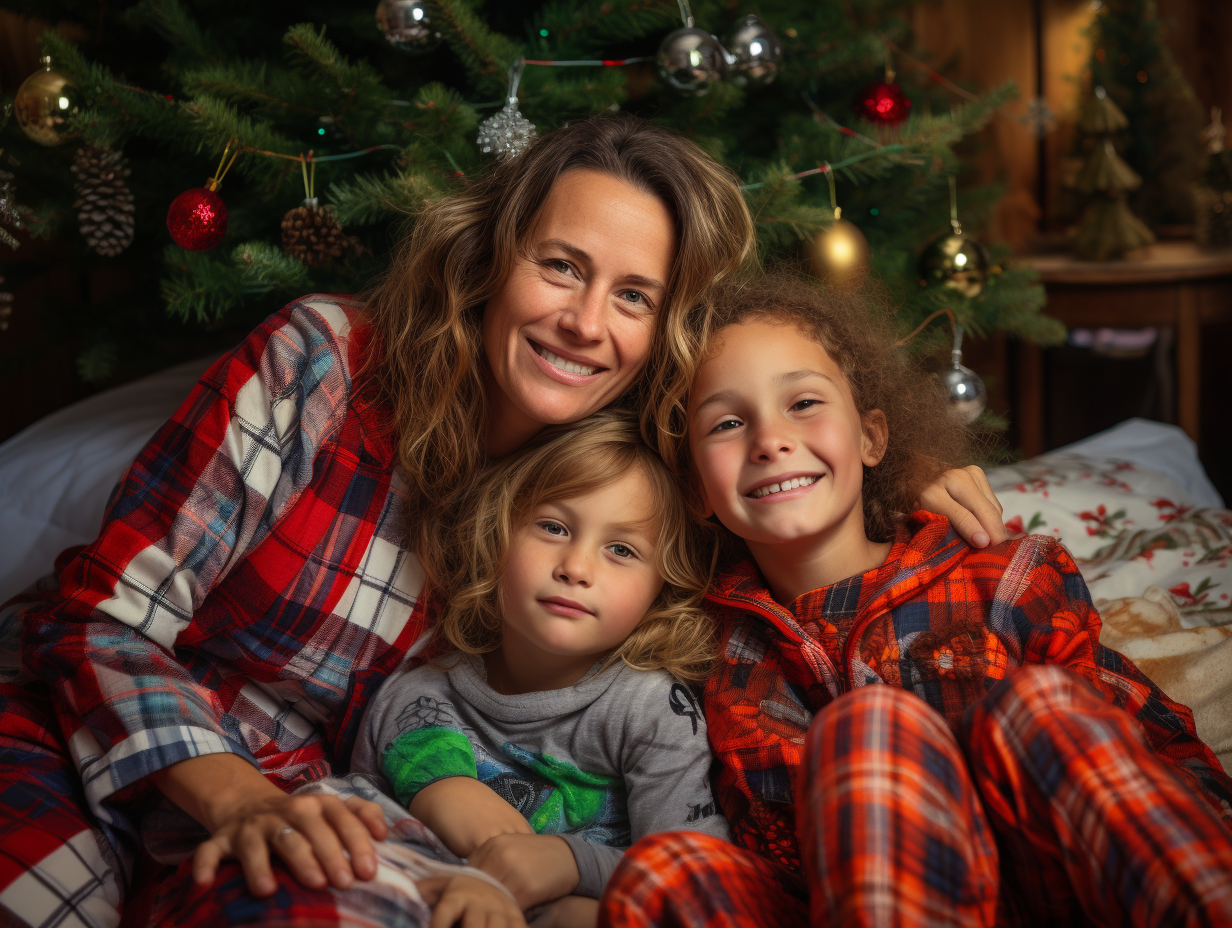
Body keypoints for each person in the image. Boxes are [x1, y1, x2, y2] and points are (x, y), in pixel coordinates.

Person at [0, 117, 1005, 928]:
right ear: (488, 257)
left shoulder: (617, 472)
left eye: (633, 297)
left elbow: (770, 455)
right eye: (561, 265)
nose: (583, 322)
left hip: (329, 813)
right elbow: (97, 614)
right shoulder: (324, 364)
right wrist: (237, 797)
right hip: (66, 735)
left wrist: (896, 465)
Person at [603, 273, 1232, 927]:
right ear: (697, 488)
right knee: (665, 873)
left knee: (1025, 707)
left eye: (805, 403)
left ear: (872, 438)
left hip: (1064, 887)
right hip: (857, 896)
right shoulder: (715, 654)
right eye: (728, 423)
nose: (770, 439)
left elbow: (1142, 760)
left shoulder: (1004, 580)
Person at [340, 409, 728, 928]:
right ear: (495, 531)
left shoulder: (652, 710)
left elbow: (696, 878)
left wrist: (573, 865)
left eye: (621, 549)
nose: (576, 567)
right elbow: (373, 837)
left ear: (665, 585)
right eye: (553, 527)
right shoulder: (420, 697)